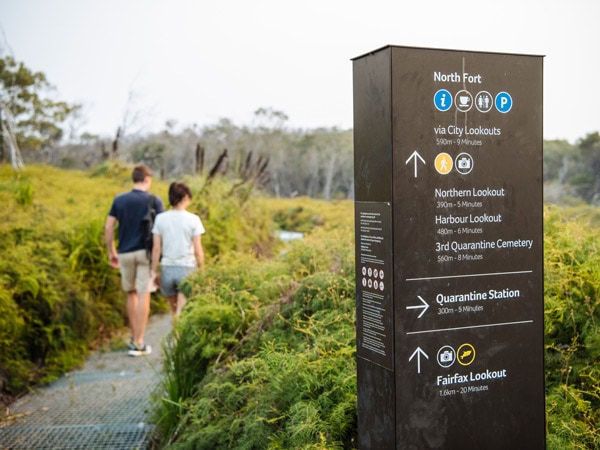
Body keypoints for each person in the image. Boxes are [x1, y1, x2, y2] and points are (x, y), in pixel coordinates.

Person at [104, 164, 165, 356]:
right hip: (146, 254)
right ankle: (139, 341)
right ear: (147, 180)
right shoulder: (155, 200)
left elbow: (108, 227)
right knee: (144, 293)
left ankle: (133, 336)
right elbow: (161, 231)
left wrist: (111, 251)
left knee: (131, 293)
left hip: (124, 253)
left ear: (134, 178)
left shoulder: (119, 200)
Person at [151, 182, 205, 321]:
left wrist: (154, 271)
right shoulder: (194, 219)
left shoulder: (160, 219)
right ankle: (179, 341)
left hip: (167, 269)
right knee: (182, 311)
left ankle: (176, 339)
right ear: (186, 197)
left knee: (174, 312)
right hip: (186, 269)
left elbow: (156, 248)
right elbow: (198, 250)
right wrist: (203, 270)